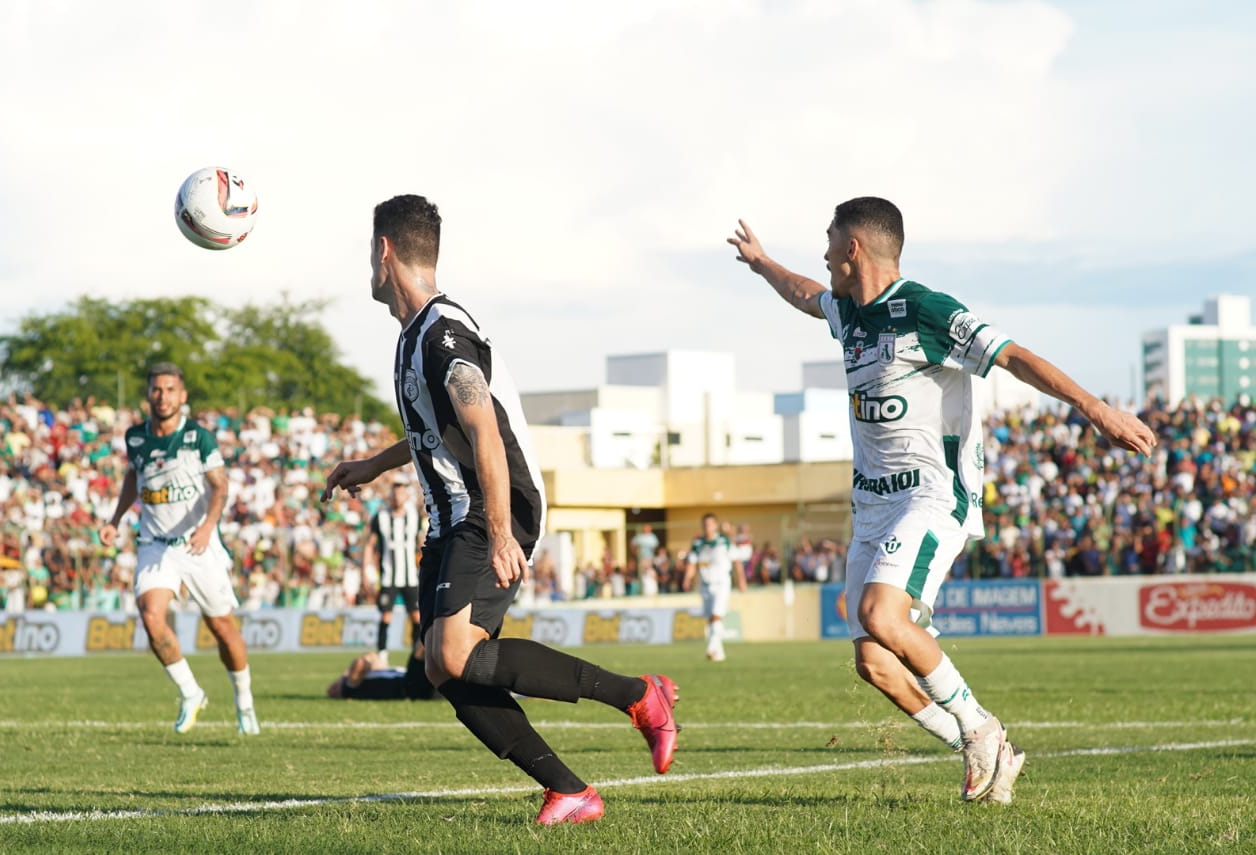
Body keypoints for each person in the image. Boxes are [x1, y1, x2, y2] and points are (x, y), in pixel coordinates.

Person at [728, 197, 1157, 805]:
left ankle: (983, 730)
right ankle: (982, 752)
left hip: (931, 494)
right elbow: (803, 293)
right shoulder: (847, 311)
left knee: (882, 614)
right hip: (870, 505)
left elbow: (1014, 357)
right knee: (875, 663)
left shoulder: (926, 310)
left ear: (852, 248)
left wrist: (1096, 408)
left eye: (829, 241)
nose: (823, 255)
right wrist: (762, 263)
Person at [322, 194, 679, 825]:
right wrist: (372, 466)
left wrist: (494, 528)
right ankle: (570, 790)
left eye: (368, 253)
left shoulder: (443, 332)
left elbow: (483, 428)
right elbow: (439, 432)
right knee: (441, 665)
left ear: (384, 251)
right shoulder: (414, 338)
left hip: (490, 507)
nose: (368, 267)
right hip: (454, 515)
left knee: (455, 652)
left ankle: (640, 696)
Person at [98, 362, 259, 735]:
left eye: (170, 390)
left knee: (222, 628)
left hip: (198, 544)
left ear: (182, 396)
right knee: (150, 615)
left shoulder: (198, 437)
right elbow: (133, 477)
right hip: (156, 544)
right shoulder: (135, 437)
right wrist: (115, 518)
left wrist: (206, 528)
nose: (163, 396)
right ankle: (191, 693)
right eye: (157, 389)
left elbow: (220, 487)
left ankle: (244, 701)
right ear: (148, 394)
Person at [365, 477, 426, 680]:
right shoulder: (381, 517)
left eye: (401, 493)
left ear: (406, 496)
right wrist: (367, 571)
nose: (397, 497)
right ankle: (382, 655)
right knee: (385, 617)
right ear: (390, 496)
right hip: (389, 576)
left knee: (416, 618)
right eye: (394, 493)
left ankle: (415, 656)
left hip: (410, 577)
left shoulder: (414, 517)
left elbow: (421, 542)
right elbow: (370, 545)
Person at [681, 513, 747, 661]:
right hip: (705, 585)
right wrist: (687, 579)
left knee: (717, 615)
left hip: (722, 583)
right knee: (711, 619)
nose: (707, 527)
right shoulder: (698, 544)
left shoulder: (724, 542)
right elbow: (692, 563)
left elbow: (736, 561)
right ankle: (719, 652)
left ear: (715, 526)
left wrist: (741, 580)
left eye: (710, 524)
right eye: (705, 524)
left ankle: (711, 647)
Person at [326, 650, 439, 701]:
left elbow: (371, 655)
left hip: (416, 685)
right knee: (422, 646)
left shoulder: (367, 677)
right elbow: (360, 663)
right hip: (408, 686)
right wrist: (344, 676)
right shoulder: (349, 689)